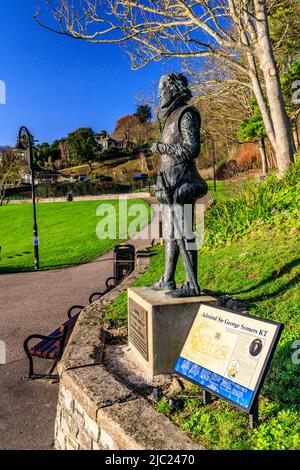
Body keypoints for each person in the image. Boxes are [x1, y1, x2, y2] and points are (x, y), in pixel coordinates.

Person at [149, 72, 208, 298]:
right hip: (169, 185)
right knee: (171, 233)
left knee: (185, 234)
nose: (159, 95)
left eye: (161, 90)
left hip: (183, 184)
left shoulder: (187, 114)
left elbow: (192, 149)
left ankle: (191, 284)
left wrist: (162, 148)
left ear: (172, 90)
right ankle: (167, 279)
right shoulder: (170, 117)